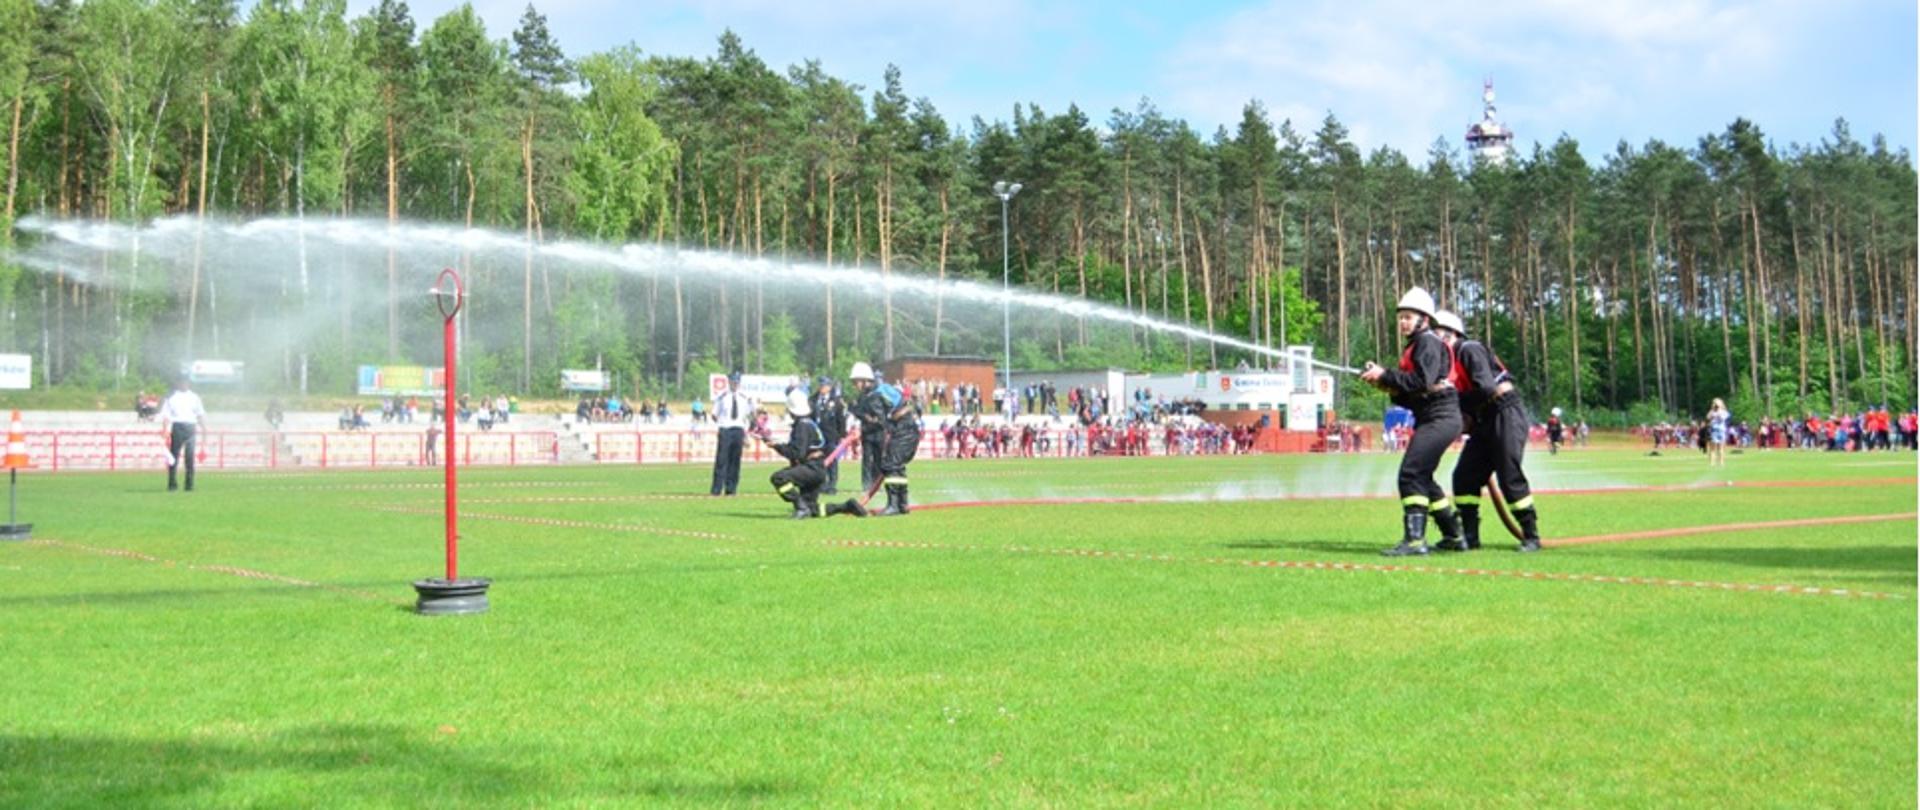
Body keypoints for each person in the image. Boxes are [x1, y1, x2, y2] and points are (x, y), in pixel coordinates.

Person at [1359, 287, 1463, 556]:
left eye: (1409, 317)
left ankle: (1415, 541)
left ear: (1424, 319)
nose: (1403, 322)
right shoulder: (1417, 345)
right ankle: (1453, 535)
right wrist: (1385, 384)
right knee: (1423, 477)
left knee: (1410, 474)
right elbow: (1413, 394)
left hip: (1441, 416)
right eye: (1401, 317)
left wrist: (1386, 375)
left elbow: (1421, 381)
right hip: (1433, 416)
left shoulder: (1427, 342)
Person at [1431, 310, 1541, 553]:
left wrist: (1455, 400)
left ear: (1451, 334)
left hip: (1505, 412)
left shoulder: (1468, 349)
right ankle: (1469, 535)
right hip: (1485, 418)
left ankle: (1531, 535)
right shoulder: (1448, 363)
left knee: (1508, 474)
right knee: (1464, 477)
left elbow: (1486, 388)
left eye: (1436, 335)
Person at [761, 388, 867, 519]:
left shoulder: (802, 426)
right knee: (813, 509)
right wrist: (778, 445)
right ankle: (846, 507)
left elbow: (797, 453)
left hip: (811, 468)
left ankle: (800, 507)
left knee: (779, 478)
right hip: (817, 468)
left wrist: (777, 446)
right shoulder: (809, 424)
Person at [159, 376, 207, 492]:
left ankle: (189, 484)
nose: (184, 384)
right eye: (182, 382)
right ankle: (172, 484)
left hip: (190, 427)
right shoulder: (171, 397)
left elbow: (199, 413)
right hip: (178, 426)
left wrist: (203, 427)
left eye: (186, 382)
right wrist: (165, 429)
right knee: (173, 457)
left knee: (189, 458)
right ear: (178, 383)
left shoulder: (194, 397)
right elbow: (166, 415)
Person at [710, 370, 753, 496]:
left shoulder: (745, 397)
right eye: (733, 381)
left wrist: (746, 434)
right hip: (726, 428)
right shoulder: (722, 396)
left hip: (738, 429)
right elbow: (714, 414)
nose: (735, 383)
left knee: (735, 460)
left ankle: (731, 488)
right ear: (729, 382)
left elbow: (750, 415)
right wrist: (721, 424)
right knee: (721, 460)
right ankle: (716, 489)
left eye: (737, 381)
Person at [852, 364, 886, 494]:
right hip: (867, 432)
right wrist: (865, 417)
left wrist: (872, 419)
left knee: (878, 460)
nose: (856, 385)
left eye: (857, 381)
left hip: (878, 431)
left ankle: (877, 485)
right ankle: (866, 485)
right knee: (866, 459)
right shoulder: (862, 396)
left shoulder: (877, 393)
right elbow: (857, 410)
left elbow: (881, 415)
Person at [813, 376, 849, 495]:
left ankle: (832, 485)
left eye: (824, 385)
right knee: (819, 460)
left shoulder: (836, 402)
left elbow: (841, 419)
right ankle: (821, 483)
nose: (822, 388)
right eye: (821, 385)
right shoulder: (813, 399)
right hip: (817, 436)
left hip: (831, 435)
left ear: (829, 387)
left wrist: (842, 434)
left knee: (832, 460)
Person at [1707, 398, 1730, 468]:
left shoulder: (1724, 412)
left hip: (1721, 430)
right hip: (1713, 430)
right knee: (1712, 448)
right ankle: (1712, 463)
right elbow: (1708, 417)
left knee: (1721, 448)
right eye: (1714, 403)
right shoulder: (1712, 411)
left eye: (1716, 403)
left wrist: (1719, 411)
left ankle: (1721, 462)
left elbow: (1722, 418)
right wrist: (1712, 410)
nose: (1715, 405)